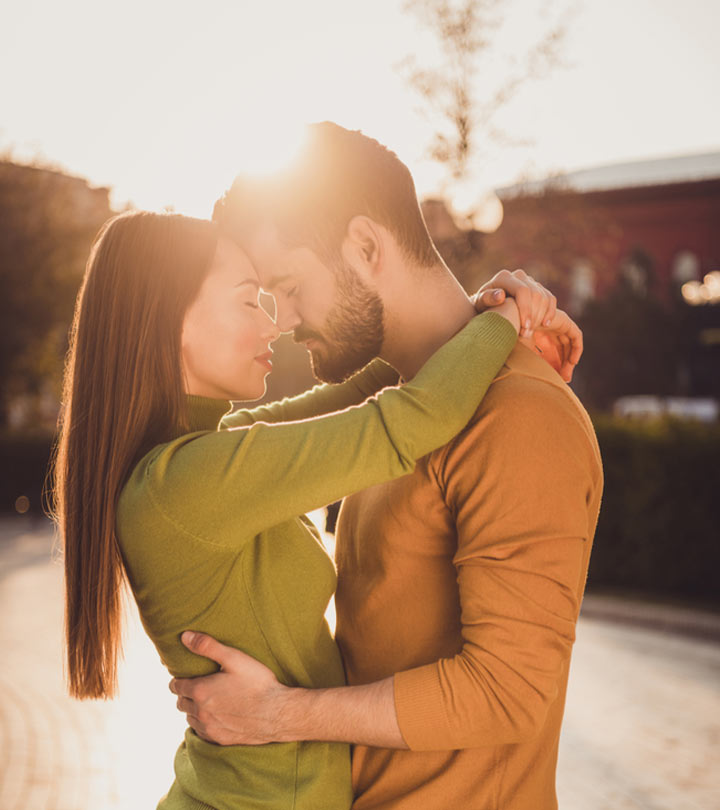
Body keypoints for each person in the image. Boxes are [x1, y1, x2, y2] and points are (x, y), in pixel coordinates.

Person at [53, 208, 571, 809]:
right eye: (251, 302)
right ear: (169, 322)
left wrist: (476, 313)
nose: (274, 326)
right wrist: (508, 317)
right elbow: (408, 421)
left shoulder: (202, 454)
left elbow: (364, 392)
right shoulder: (189, 480)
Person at [170, 122, 603, 810]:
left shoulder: (520, 415)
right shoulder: (395, 409)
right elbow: (211, 452)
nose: (280, 324)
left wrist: (277, 713)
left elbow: (508, 690)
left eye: (286, 286)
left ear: (367, 246)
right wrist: (488, 319)